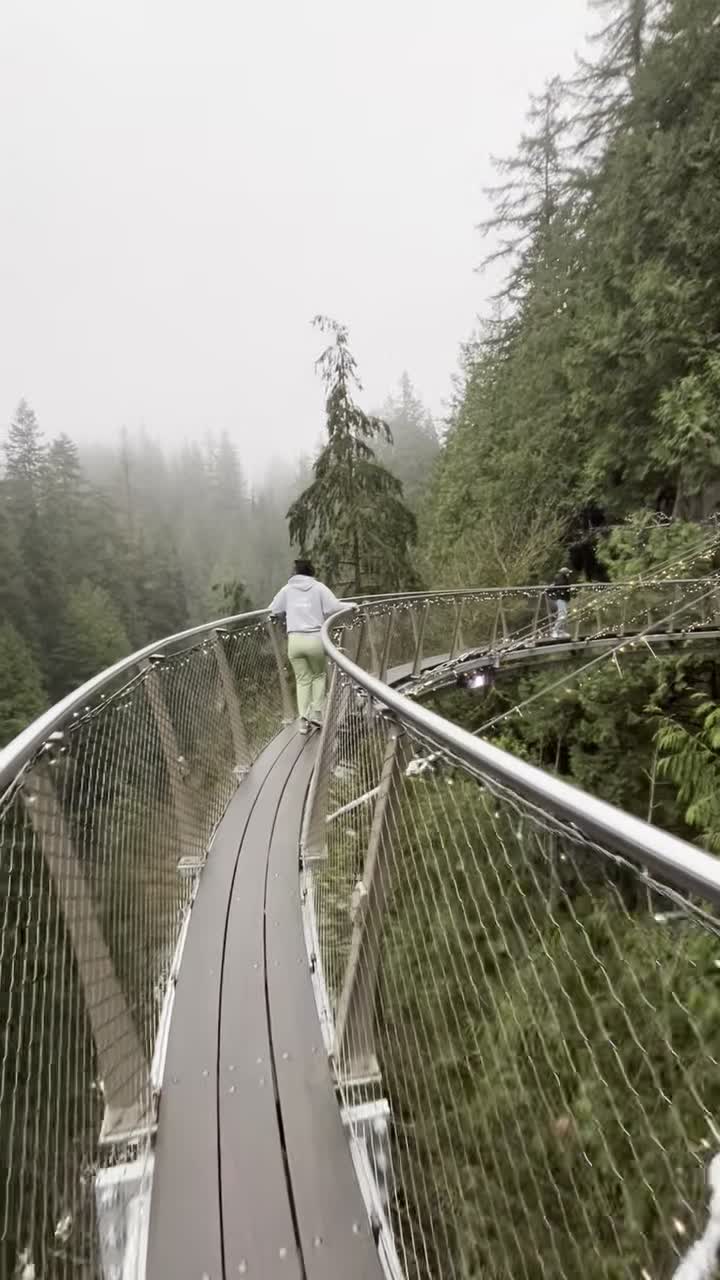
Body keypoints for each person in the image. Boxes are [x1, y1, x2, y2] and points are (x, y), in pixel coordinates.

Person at [268, 559, 347, 734]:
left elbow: (273, 609)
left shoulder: (287, 590)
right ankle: (317, 714)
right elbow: (334, 607)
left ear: (295, 572)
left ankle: (303, 721)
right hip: (315, 639)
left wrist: (286, 618)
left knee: (302, 679)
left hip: (295, 641)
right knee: (318, 675)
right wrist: (352, 606)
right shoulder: (318, 587)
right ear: (311, 571)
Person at [548, 567, 572, 638]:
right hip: (561, 599)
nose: (569, 575)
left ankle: (561, 632)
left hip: (564, 599)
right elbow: (559, 586)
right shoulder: (560, 579)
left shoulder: (564, 579)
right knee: (562, 616)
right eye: (568, 573)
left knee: (565, 616)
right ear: (565, 573)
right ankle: (554, 631)